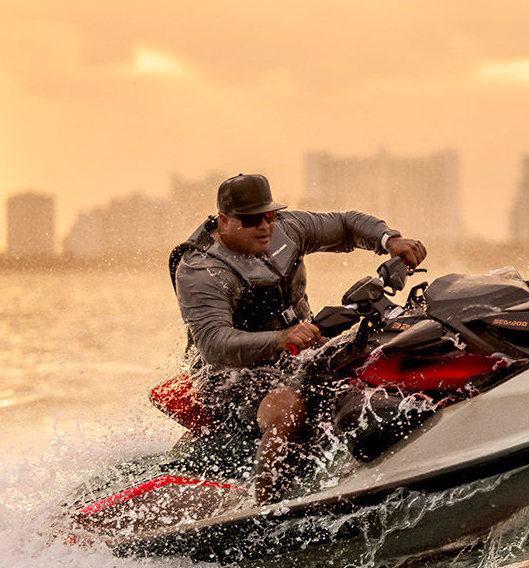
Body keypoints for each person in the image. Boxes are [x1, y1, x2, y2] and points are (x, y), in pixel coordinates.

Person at [169, 173, 428, 501]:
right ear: (224, 221)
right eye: (251, 220)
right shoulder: (201, 270)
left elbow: (346, 224)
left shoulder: (287, 229)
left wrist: (389, 241)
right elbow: (214, 343)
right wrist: (279, 338)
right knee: (287, 407)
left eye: (270, 214)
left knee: (371, 356)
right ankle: (265, 510)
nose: (265, 226)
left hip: (294, 354)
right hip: (229, 379)